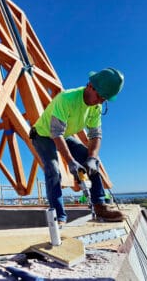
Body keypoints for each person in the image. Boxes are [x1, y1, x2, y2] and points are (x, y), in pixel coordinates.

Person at [30, 67, 126, 224]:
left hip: (64, 135)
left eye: (105, 99)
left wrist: (92, 158)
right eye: (100, 96)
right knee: (53, 170)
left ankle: (100, 206)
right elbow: (56, 134)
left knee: (92, 162)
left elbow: (95, 135)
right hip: (42, 135)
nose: (101, 101)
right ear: (90, 86)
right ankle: (59, 218)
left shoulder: (96, 107)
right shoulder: (67, 99)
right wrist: (70, 162)